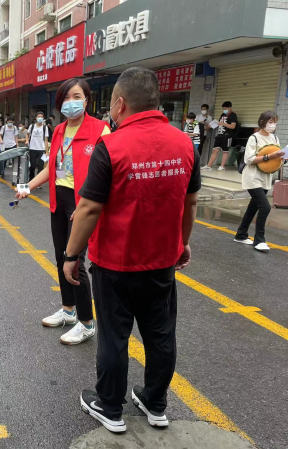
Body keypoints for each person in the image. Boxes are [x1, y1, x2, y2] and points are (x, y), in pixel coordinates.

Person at [61, 67, 200, 433]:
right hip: (161, 262)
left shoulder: (111, 146)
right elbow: (191, 202)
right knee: (161, 335)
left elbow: (89, 209)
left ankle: (110, 407)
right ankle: (155, 403)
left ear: (120, 104)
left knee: (114, 337)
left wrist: (72, 256)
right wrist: (183, 243)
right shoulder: (185, 144)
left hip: (115, 263)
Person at [16, 78, 109, 345]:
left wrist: (88, 204)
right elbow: (52, 168)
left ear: (87, 100)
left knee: (75, 261)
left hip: (83, 203)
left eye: (76, 97)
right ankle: (68, 310)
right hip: (59, 200)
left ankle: (87, 323)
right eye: (66, 98)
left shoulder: (100, 130)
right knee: (61, 258)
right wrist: (28, 186)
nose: (71, 103)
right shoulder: (58, 130)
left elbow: (108, 173)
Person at [234, 111, 283, 252]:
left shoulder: (275, 138)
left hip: (266, 177)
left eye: (275, 122)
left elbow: (277, 156)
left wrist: (282, 158)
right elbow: (249, 159)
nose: (273, 125)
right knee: (265, 207)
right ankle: (259, 240)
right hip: (253, 177)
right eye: (270, 122)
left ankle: (241, 234)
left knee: (253, 207)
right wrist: (269, 156)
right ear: (262, 122)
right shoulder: (254, 138)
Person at [203, 101, 237, 171]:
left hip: (227, 136)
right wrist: (212, 125)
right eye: (223, 108)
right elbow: (219, 123)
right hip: (219, 135)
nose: (224, 110)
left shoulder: (233, 115)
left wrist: (223, 124)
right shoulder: (222, 115)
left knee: (225, 151)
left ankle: (222, 166)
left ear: (230, 108)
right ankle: (209, 165)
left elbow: (233, 126)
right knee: (215, 150)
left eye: (225, 108)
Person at [26, 112, 50, 183]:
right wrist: (27, 140)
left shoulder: (45, 127)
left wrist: (47, 151)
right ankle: (31, 179)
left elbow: (46, 140)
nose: (40, 118)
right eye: (39, 116)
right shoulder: (32, 126)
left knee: (40, 166)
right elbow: (27, 134)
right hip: (32, 148)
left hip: (41, 149)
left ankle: (38, 182)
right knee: (32, 165)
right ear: (36, 118)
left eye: (41, 117)